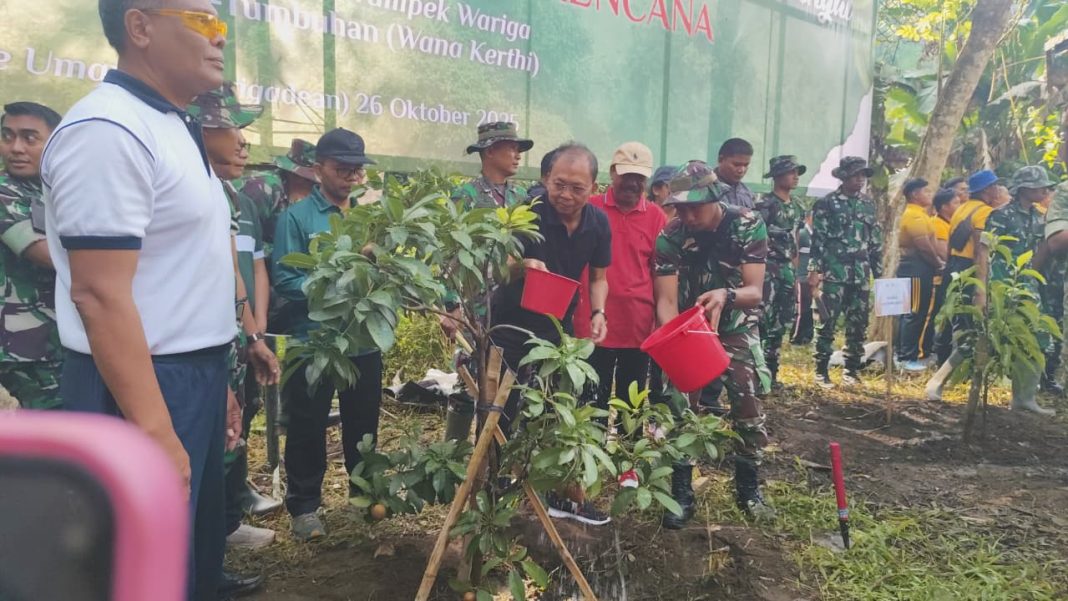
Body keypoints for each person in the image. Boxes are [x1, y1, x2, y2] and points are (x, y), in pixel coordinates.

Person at [41, 1, 235, 599]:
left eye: (221, 23)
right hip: (136, 384)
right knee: (136, 570)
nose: (219, 37)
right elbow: (99, 294)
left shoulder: (168, 122)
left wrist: (215, 376)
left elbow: (175, 274)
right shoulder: (107, 130)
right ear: (141, 27)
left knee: (183, 560)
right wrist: (154, 429)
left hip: (185, 374)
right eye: (202, 20)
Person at [188, 83, 284, 597]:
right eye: (234, 130)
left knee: (222, 449)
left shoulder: (225, 192)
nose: (244, 143)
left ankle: (208, 570)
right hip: (185, 355)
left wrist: (253, 336)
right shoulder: (185, 185)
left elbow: (237, 276)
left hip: (223, 346)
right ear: (203, 131)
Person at [489, 143, 612, 525]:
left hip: (555, 335)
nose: (567, 195)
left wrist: (598, 312)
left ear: (594, 186)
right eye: (560, 184)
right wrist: (522, 264)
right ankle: (492, 499)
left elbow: (599, 277)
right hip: (509, 327)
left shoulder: (598, 223)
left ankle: (556, 495)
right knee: (500, 416)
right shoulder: (525, 216)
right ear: (545, 179)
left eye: (578, 187)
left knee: (554, 415)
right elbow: (500, 270)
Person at [272, 128, 384, 541]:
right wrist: (338, 280)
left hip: (363, 340)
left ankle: (364, 497)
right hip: (313, 342)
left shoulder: (368, 218)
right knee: (306, 423)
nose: (352, 178)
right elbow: (285, 277)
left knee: (363, 425)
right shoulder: (296, 218)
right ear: (318, 170)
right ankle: (304, 508)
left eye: (357, 171)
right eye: (343, 170)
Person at [653, 160, 772, 525]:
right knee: (680, 404)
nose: (687, 215)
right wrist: (674, 342)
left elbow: (755, 290)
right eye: (681, 207)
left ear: (716, 198)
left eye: (695, 206)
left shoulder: (747, 224)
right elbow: (666, 300)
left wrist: (726, 294)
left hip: (735, 323)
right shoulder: (670, 236)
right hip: (689, 326)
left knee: (746, 398)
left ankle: (749, 488)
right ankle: (681, 492)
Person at [584, 142, 666, 418]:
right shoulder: (590, 209)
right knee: (592, 402)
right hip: (595, 323)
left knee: (631, 408)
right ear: (612, 173)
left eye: (639, 177)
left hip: (637, 325)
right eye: (627, 175)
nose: (633, 182)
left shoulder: (656, 217)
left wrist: (659, 321)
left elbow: (660, 273)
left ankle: (628, 460)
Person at [0, 101, 62, 410]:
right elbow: (48, 255)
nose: (16, 148)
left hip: (58, 343)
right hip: (22, 350)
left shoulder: (53, 191)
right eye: (7, 136)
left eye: (29, 138)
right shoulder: (4, 191)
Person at [979, 166, 1056, 415]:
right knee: (984, 339)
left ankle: (1024, 397)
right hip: (1000, 286)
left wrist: (1029, 277)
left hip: (1025, 286)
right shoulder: (1000, 216)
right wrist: (981, 290)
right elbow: (982, 252)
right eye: (1040, 186)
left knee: (1036, 337)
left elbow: (1037, 254)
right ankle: (939, 382)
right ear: (1025, 189)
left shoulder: (1037, 217)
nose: (1045, 190)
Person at [925, 170, 1001, 401]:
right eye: (995, 186)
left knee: (950, 320)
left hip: (954, 268)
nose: (997, 190)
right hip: (970, 269)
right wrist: (981, 285)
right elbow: (981, 250)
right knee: (969, 325)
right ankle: (947, 376)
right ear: (987, 190)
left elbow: (950, 244)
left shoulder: (962, 208)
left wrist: (948, 269)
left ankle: (942, 363)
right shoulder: (985, 212)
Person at [809, 157, 882, 388]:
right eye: (855, 175)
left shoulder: (868, 205)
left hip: (861, 274)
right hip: (834, 274)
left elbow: (874, 243)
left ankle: (851, 371)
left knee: (858, 324)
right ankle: (821, 371)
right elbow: (817, 241)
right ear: (843, 176)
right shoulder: (827, 204)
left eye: (863, 175)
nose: (860, 179)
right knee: (826, 323)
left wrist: (880, 275)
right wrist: (814, 271)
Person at [755, 155, 806, 389]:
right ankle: (757, 375)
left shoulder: (797, 206)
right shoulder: (764, 204)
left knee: (782, 321)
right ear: (777, 176)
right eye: (790, 172)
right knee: (763, 320)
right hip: (767, 269)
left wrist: (795, 271)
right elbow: (755, 238)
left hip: (786, 269)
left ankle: (772, 375)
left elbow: (796, 239)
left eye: (797, 172)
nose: (795, 177)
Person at [895, 178, 943, 372]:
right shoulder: (914, 216)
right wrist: (938, 264)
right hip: (915, 268)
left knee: (917, 311)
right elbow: (924, 245)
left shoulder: (921, 214)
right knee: (913, 312)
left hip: (921, 268)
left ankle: (907, 353)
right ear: (915, 194)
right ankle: (907, 356)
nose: (929, 195)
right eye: (926, 191)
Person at [238, 138, 317, 249]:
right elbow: (243, 236)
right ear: (299, 178)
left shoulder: (306, 197)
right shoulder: (264, 188)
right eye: (313, 183)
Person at [452, 121, 531, 209]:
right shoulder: (465, 196)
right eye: (512, 148)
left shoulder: (521, 195)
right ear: (490, 151)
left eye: (518, 150)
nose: (518, 156)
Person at [926, 188, 960, 364]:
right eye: (955, 202)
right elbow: (942, 251)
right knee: (935, 315)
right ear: (944, 206)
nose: (959, 205)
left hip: (946, 276)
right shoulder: (938, 224)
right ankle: (928, 350)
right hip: (939, 279)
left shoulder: (950, 222)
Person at [791, 212, 815, 345]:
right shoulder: (802, 233)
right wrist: (796, 274)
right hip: (801, 276)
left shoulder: (814, 235)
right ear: (807, 218)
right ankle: (796, 336)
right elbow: (794, 254)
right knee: (801, 307)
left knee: (809, 306)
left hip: (810, 276)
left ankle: (807, 335)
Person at [714, 138, 756, 209]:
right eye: (736, 164)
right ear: (720, 160)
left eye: (746, 165)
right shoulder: (707, 189)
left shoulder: (747, 192)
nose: (741, 170)